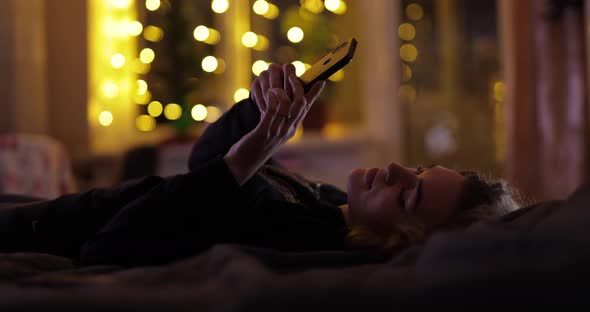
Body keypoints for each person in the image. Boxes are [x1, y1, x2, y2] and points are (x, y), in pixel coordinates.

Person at [0, 64, 521, 267]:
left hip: (49, 232)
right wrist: (263, 119)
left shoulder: (299, 243)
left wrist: (250, 155)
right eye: (414, 169)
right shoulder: (331, 204)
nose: (392, 170)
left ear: (396, 242)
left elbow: (112, 247)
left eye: (407, 195)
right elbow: (206, 166)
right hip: (55, 210)